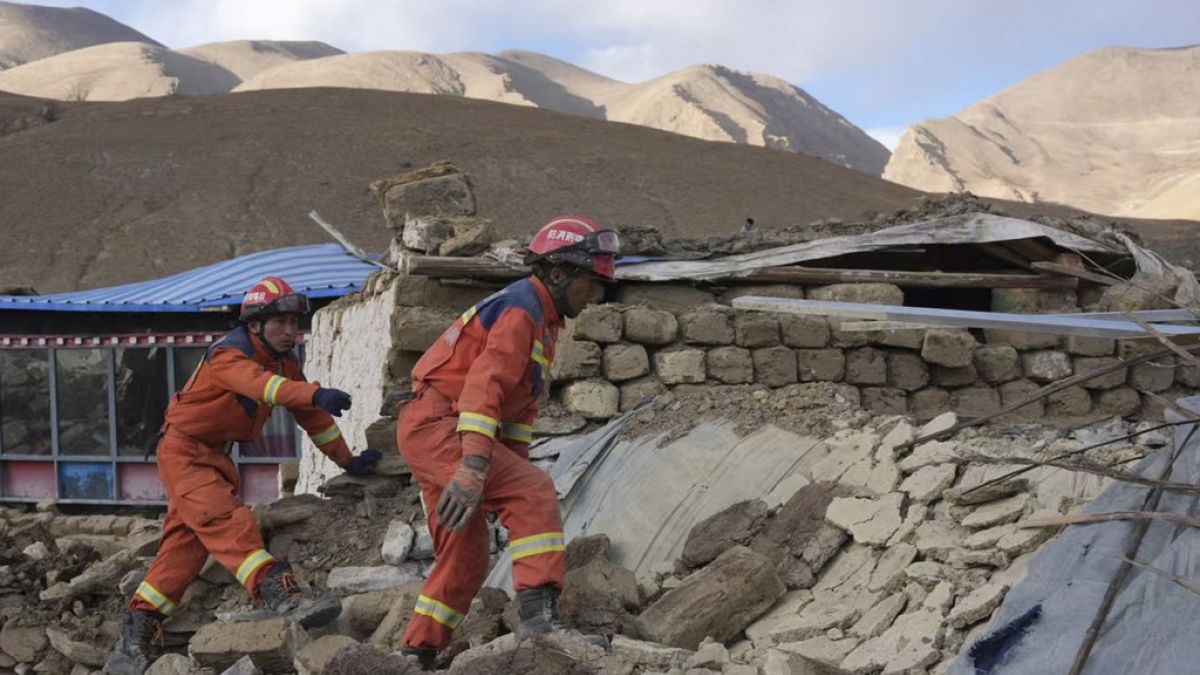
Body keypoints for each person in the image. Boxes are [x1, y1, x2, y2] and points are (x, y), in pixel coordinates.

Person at [103, 276, 382, 675]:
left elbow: (313, 419)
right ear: (254, 324)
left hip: (214, 456)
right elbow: (265, 387)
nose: (290, 332)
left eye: (294, 323)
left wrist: (347, 460)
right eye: (280, 322)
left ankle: (134, 640)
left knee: (183, 549)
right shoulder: (229, 356)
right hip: (184, 453)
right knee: (228, 520)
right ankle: (282, 594)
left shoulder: (284, 362)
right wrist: (313, 391)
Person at [396, 215, 619, 666]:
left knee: (468, 556)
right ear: (558, 273)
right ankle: (539, 624)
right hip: (443, 426)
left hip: (439, 427)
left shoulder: (543, 320)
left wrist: (504, 469)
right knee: (534, 489)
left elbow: (517, 409)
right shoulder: (522, 310)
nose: (595, 294)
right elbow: (484, 388)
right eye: (590, 282)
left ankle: (415, 652)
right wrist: (477, 468)